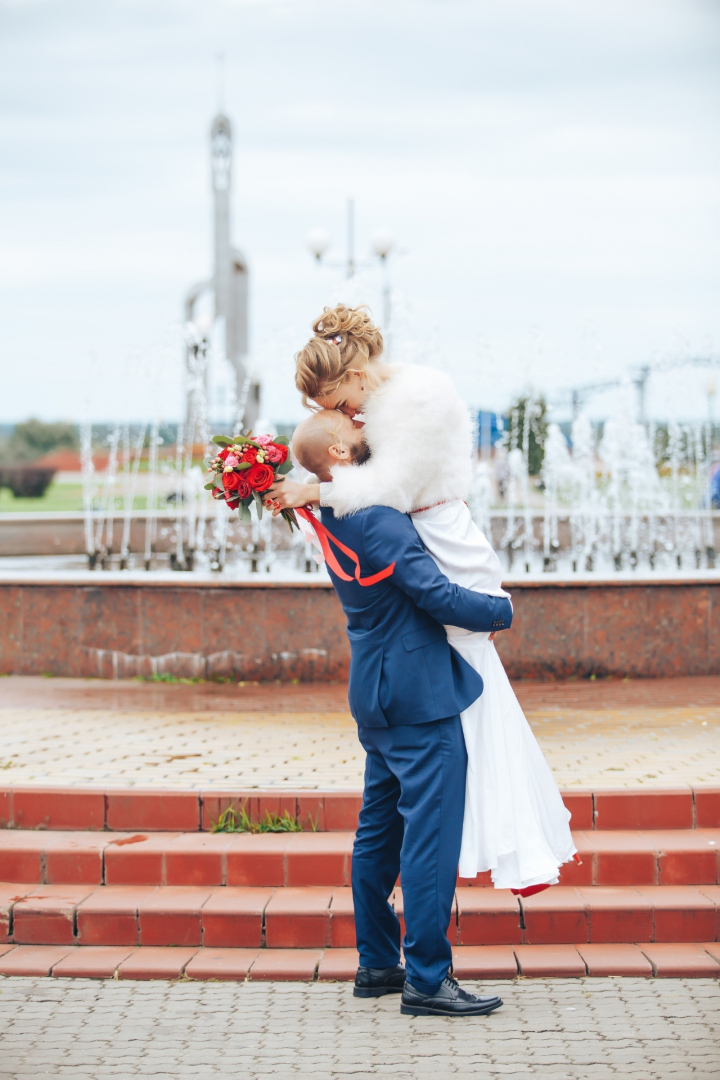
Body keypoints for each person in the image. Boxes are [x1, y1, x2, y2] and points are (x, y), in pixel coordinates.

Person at [268, 304, 576, 892]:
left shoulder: (422, 396)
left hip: (446, 541)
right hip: (420, 544)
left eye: (338, 402)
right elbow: (346, 461)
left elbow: (388, 489)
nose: (342, 416)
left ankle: (506, 832)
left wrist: (312, 489)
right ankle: (498, 828)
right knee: (471, 703)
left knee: (474, 690)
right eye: (330, 411)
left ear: (357, 375)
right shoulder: (369, 406)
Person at [292, 409, 513, 1018]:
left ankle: (378, 963)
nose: (371, 432)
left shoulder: (330, 513)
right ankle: (426, 979)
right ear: (338, 450)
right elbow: (434, 594)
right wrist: (500, 611)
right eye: (355, 427)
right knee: (429, 838)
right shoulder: (378, 520)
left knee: (379, 833)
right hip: (417, 695)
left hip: (375, 690)